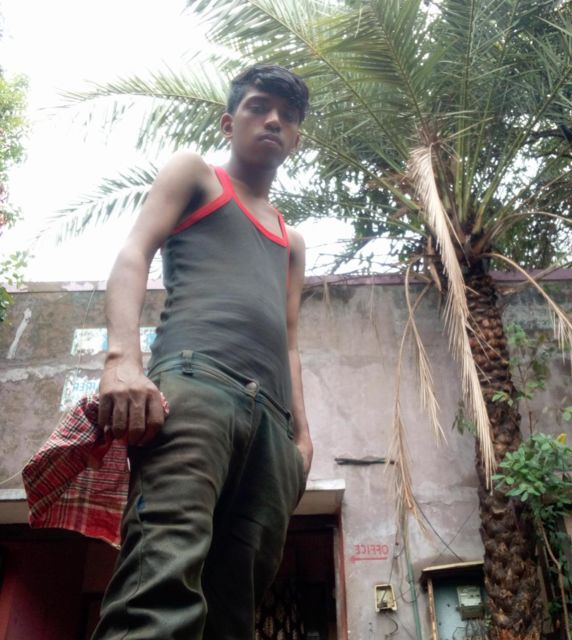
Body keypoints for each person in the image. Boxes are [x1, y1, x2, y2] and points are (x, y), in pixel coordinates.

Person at [91, 64, 313, 640]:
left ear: (295, 138)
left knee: (234, 610)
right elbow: (133, 253)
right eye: (258, 106)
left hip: (273, 428)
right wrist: (121, 360)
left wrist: (302, 438)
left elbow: (289, 340)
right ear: (228, 122)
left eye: (287, 117)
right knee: (161, 580)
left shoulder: (292, 242)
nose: (273, 121)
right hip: (195, 389)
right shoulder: (196, 175)